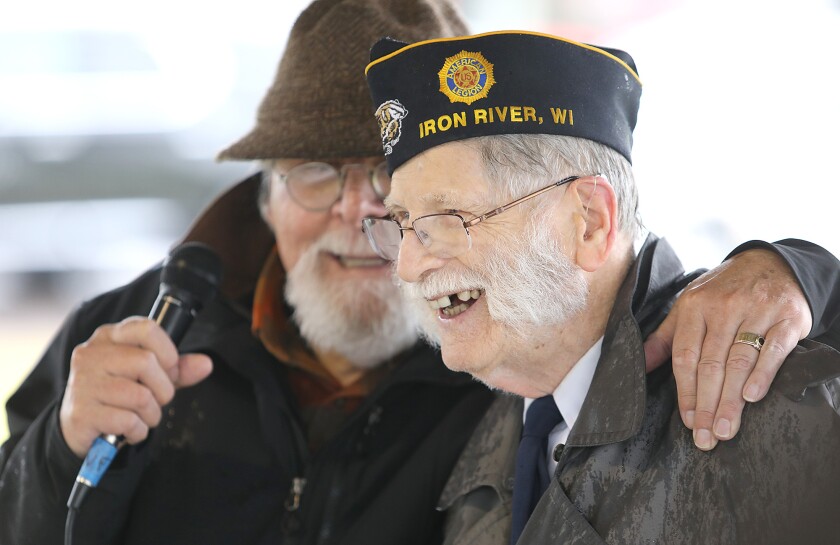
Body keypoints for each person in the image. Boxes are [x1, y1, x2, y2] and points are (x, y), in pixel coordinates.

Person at [0, 0, 835, 542]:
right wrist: (60, 448)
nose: (368, 219)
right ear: (264, 194)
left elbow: (618, 282)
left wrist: (800, 271)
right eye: (317, 172)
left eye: (419, 201)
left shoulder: (502, 359)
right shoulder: (132, 333)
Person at [363, 30, 840, 544]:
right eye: (405, 221)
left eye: (447, 217)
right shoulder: (468, 419)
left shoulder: (767, 404)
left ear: (588, 221)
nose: (408, 265)